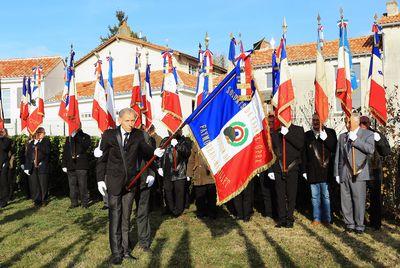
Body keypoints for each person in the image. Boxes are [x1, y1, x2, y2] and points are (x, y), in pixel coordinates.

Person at [96, 108, 164, 265]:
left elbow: (147, 152)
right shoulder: (109, 135)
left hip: (131, 184)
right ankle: (116, 252)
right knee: (115, 217)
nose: (131, 124)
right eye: (127, 120)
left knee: (126, 217)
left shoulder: (138, 135)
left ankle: (126, 250)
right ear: (119, 120)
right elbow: (102, 159)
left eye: (133, 120)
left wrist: (156, 152)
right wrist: (100, 179)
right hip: (113, 183)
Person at [334, 113, 375, 234]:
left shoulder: (368, 134)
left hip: (359, 171)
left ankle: (359, 225)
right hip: (345, 170)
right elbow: (339, 155)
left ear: (356, 122)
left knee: (358, 199)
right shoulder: (342, 136)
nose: (347, 124)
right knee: (345, 199)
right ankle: (349, 224)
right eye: (347, 122)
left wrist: (355, 140)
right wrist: (337, 172)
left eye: (349, 122)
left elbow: (370, 150)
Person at [303, 113, 337, 225]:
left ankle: (327, 218)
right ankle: (316, 218)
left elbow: (334, 147)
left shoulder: (330, 132)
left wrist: (325, 138)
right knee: (314, 197)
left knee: (326, 196)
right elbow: (304, 154)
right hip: (312, 171)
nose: (315, 122)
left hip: (326, 171)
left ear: (322, 121)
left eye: (318, 120)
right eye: (314, 120)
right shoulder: (307, 135)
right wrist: (304, 170)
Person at [269, 122, 304, 228]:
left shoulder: (298, 129)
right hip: (278, 168)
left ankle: (290, 219)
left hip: (292, 168)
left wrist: (287, 134)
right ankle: (282, 219)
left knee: (291, 195)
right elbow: (272, 151)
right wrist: (271, 169)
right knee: (280, 195)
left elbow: (300, 145)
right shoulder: (275, 132)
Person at [359, 116, 391, 230]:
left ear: (369, 123)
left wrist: (380, 141)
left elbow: (387, 151)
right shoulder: (356, 134)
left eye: (365, 123)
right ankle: (360, 221)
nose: (363, 125)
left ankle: (375, 223)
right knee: (359, 197)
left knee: (375, 198)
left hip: (374, 170)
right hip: (360, 170)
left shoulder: (376, 134)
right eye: (360, 122)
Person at [160, 129, 192, 217]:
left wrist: (177, 145)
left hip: (180, 171)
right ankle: (170, 208)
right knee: (168, 191)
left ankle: (178, 210)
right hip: (167, 171)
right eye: (169, 130)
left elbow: (187, 153)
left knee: (179, 192)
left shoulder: (184, 141)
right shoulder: (164, 141)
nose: (172, 132)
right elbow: (159, 155)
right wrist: (159, 167)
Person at [62, 126, 92, 209]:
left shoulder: (85, 136)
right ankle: (74, 203)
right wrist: (64, 164)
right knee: (72, 185)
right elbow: (65, 151)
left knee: (83, 185)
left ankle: (84, 203)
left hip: (81, 165)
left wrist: (77, 135)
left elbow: (85, 146)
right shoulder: (69, 138)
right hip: (70, 165)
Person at [188, 143, 217, 219]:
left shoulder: (212, 144)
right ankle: (201, 213)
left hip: (210, 177)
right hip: (199, 176)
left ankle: (212, 213)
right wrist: (189, 173)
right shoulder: (195, 145)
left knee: (211, 197)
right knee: (200, 197)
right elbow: (191, 160)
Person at [24, 127, 51, 207]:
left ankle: (43, 200)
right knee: (34, 184)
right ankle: (36, 200)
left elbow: (47, 151)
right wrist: (27, 167)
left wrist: (38, 144)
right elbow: (28, 155)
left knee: (43, 184)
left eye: (40, 132)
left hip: (42, 166)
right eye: (37, 132)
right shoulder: (32, 142)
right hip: (33, 166)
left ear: (44, 133)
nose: (39, 134)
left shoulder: (46, 141)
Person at [0, 128, 12, 208]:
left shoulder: (7, 140)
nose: (1, 132)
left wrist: (1, 138)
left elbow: (4, 147)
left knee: (3, 182)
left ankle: (4, 200)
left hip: (4, 163)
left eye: (2, 131)